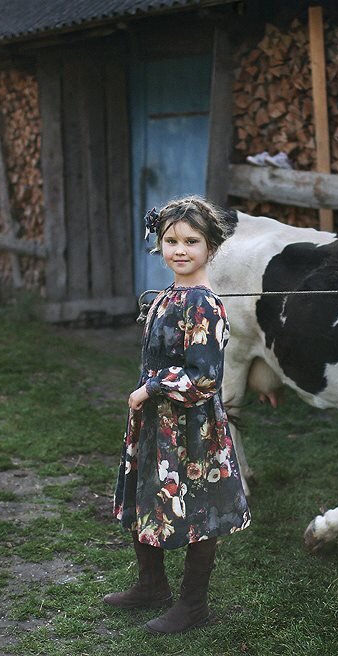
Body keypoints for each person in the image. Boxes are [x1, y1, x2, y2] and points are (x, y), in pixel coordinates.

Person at [107, 196, 251, 634]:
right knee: (144, 494)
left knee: (199, 508)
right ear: (159, 243)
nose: (180, 249)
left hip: (192, 429)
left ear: (211, 246)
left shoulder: (203, 304)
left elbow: (205, 378)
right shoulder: (169, 296)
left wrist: (151, 388)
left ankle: (193, 606)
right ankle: (152, 586)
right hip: (156, 424)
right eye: (170, 240)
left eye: (192, 241)